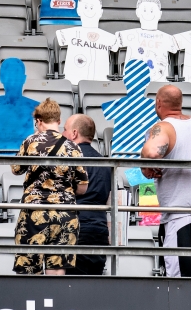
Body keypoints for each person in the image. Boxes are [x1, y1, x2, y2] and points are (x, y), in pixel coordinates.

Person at [140, 85, 191, 278]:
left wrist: (144, 163)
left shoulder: (163, 127)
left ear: (158, 103)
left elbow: (153, 152)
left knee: (180, 281)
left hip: (179, 216)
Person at [11, 99, 89, 275]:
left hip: (34, 212)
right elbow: (83, 187)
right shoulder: (73, 146)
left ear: (38, 121)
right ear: (59, 121)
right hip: (65, 213)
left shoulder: (30, 141)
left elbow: (16, 169)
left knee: (30, 270)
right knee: (57, 270)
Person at [63, 114, 112, 275]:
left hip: (74, 230)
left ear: (74, 133)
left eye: (65, 130)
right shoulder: (106, 163)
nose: (62, 134)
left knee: (70, 289)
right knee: (93, 289)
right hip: (99, 231)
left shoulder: (69, 160)